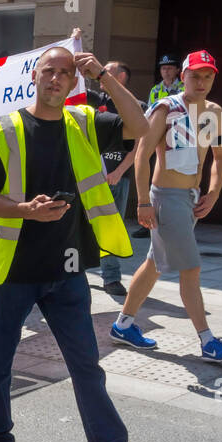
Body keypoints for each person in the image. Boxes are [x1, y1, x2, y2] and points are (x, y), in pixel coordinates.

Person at [0, 45, 169, 442]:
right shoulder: (5, 129)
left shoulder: (84, 122)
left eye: (65, 73)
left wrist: (103, 74)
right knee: (0, 362)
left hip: (68, 269)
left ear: (73, 81)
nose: (56, 78)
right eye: (49, 71)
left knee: (86, 366)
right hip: (17, 269)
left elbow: (140, 128)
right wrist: (25, 209)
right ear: (35, 77)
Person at [111, 51, 222, 362]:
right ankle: (207, 341)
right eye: (195, 75)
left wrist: (213, 194)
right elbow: (142, 156)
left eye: (208, 76)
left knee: (154, 264)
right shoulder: (167, 108)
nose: (202, 81)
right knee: (190, 268)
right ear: (183, 76)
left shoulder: (213, 111)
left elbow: (220, 159)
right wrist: (143, 202)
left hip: (190, 198)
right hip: (166, 197)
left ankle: (123, 325)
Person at [87, 60, 137, 297]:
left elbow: (137, 147)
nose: (101, 75)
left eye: (107, 72)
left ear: (122, 78)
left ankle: (111, 277)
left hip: (118, 178)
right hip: (91, 177)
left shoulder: (135, 107)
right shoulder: (96, 101)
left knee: (111, 226)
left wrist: (118, 172)